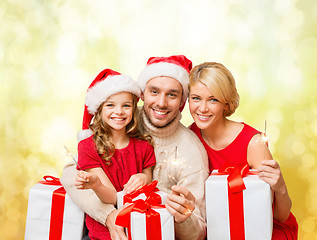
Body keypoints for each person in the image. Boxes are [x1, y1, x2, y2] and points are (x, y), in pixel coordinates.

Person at [61, 55, 209, 240]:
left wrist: (182, 218)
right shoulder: (121, 120)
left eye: (172, 94)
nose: (161, 103)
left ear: (182, 101)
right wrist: (109, 215)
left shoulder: (190, 150)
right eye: (154, 92)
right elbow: (71, 173)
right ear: (142, 94)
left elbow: (198, 232)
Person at [188, 62, 298, 239]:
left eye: (213, 99)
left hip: (262, 227)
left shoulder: (253, 143)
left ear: (226, 103)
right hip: (221, 225)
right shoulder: (190, 136)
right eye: (196, 98)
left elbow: (281, 216)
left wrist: (281, 186)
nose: (202, 108)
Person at [73, 68, 156, 240]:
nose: (119, 111)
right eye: (110, 105)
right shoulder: (88, 147)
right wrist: (96, 185)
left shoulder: (144, 147)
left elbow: (150, 184)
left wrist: (143, 177)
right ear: (99, 110)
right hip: (103, 234)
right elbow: (112, 198)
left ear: (134, 109)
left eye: (126, 105)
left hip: (140, 229)